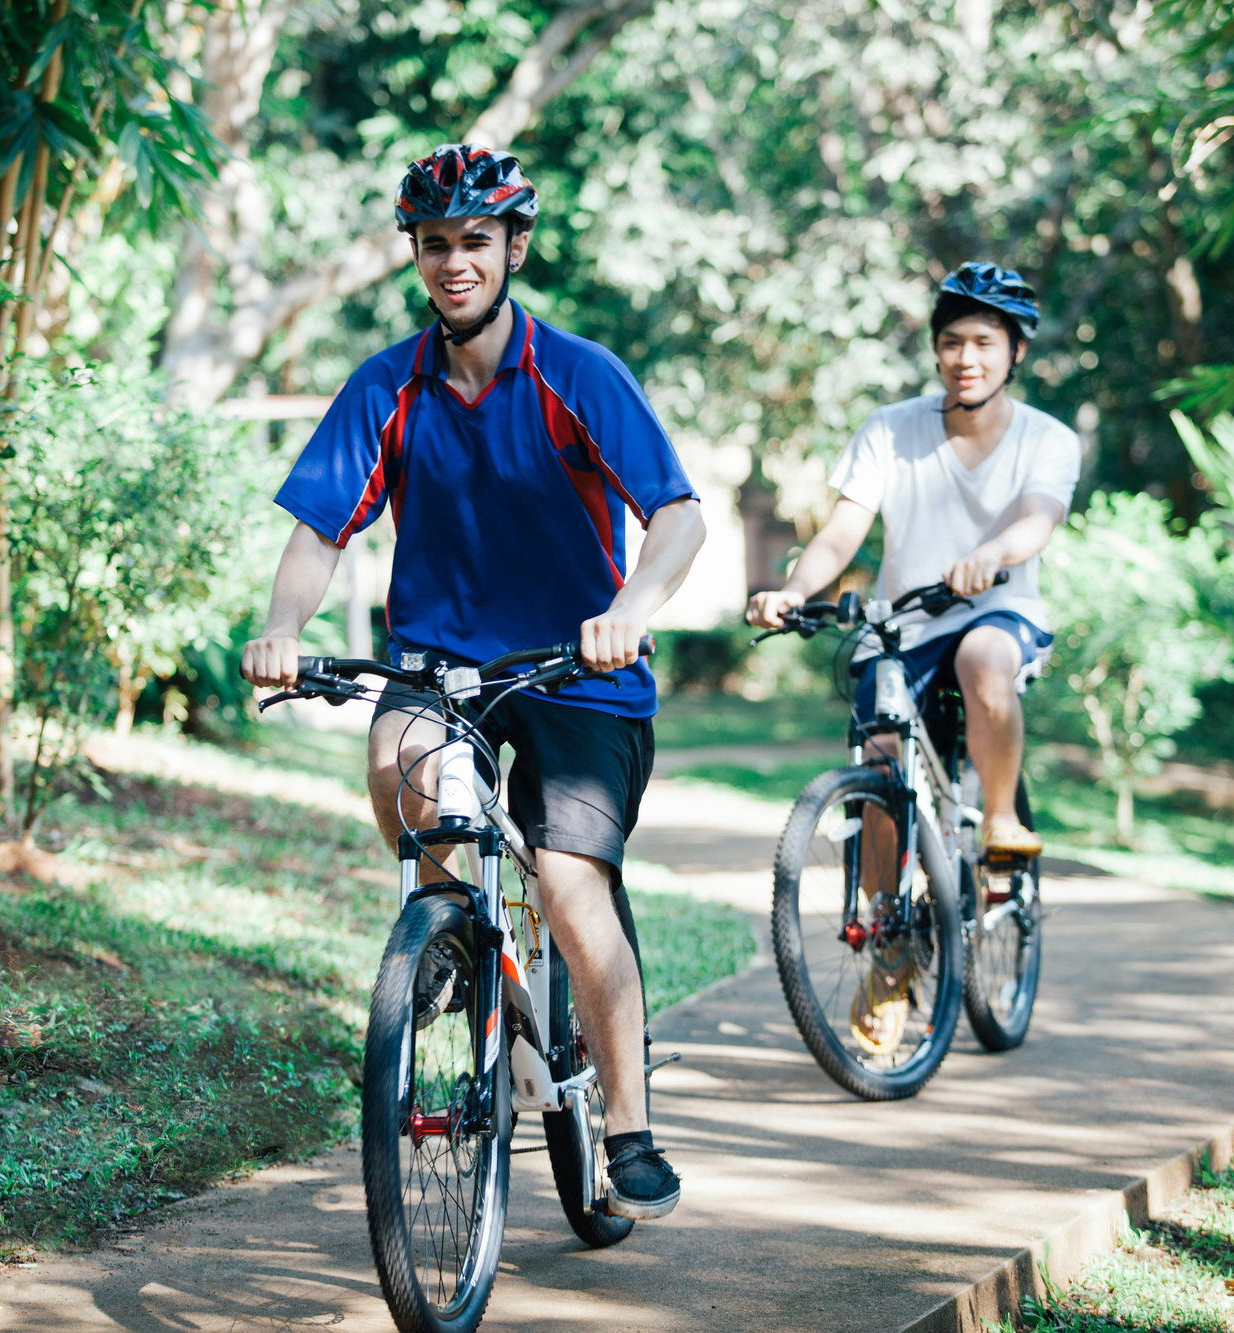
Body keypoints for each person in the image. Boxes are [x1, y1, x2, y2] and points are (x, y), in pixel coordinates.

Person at [240, 144, 705, 1220]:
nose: (456, 263)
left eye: (476, 241)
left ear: (514, 249)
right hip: (443, 667)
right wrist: (279, 625)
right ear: (415, 255)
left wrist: (628, 612)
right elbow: (319, 532)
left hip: (576, 674)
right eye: (436, 244)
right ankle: (457, 945)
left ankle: (627, 1123)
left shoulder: (577, 373)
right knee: (398, 764)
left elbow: (677, 515)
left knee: (570, 879)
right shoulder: (386, 385)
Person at [746, 262, 1078, 1042]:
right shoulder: (891, 429)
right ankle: (889, 951)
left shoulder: (1046, 439)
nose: (967, 356)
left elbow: (1037, 519)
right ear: (935, 349)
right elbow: (840, 530)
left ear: (1015, 352)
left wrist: (991, 555)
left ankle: (1000, 823)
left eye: (985, 343)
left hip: (998, 607)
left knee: (985, 660)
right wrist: (792, 587)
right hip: (905, 622)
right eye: (953, 341)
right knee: (882, 765)